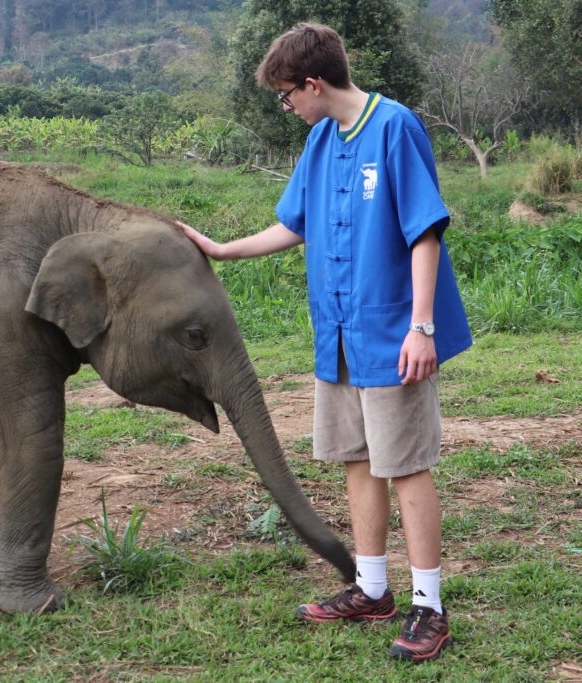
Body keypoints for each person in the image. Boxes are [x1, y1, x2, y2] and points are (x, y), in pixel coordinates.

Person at [176, 22, 472, 662]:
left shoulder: (394, 127)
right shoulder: (319, 141)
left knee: (407, 466)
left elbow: (425, 233)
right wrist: (222, 250)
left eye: (287, 96)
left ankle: (430, 606)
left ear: (313, 83)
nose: (287, 108)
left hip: (393, 333)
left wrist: (422, 325)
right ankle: (372, 588)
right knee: (357, 459)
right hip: (336, 332)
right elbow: (294, 225)